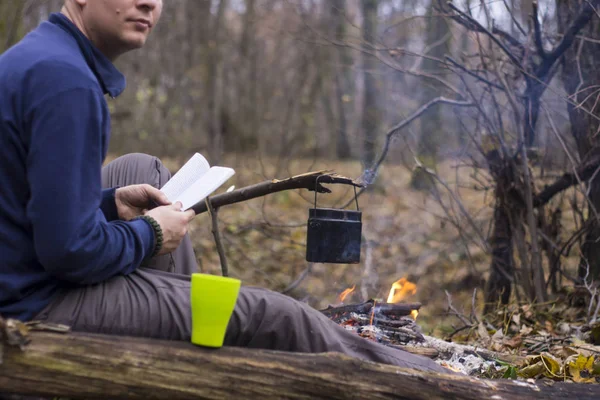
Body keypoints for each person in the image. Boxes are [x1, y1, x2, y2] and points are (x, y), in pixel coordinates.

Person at [0, 0, 449, 374]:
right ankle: (428, 380)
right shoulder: (68, 84)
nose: (149, 4)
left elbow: (26, 203)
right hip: (33, 306)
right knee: (279, 316)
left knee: (146, 175)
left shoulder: (40, 56)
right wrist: (151, 234)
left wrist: (108, 204)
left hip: (19, 274)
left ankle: (186, 344)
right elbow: (70, 253)